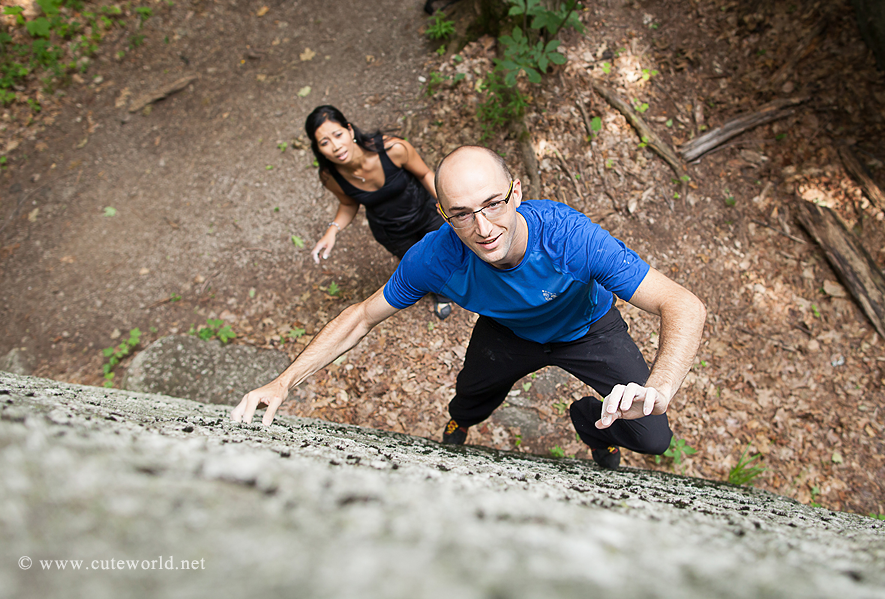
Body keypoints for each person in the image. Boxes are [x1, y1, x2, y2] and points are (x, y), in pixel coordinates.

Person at [232, 146, 706, 470]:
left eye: (493, 204)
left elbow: (681, 304)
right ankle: (459, 423)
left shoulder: (569, 238)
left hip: (588, 328)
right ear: (443, 214)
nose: (482, 228)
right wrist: (281, 382)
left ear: (516, 193)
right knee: (469, 400)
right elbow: (361, 315)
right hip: (508, 333)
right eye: (461, 213)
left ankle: (593, 425)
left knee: (653, 439)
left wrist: (660, 386)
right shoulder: (436, 257)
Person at [306, 105, 452, 320]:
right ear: (319, 149)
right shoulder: (330, 177)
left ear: (350, 130)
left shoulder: (393, 149)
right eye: (325, 143)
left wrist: (444, 202)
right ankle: (442, 294)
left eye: (338, 135)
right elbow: (348, 204)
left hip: (426, 212)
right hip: (391, 231)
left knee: (446, 249)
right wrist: (332, 231)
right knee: (420, 261)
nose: (336, 146)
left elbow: (424, 173)